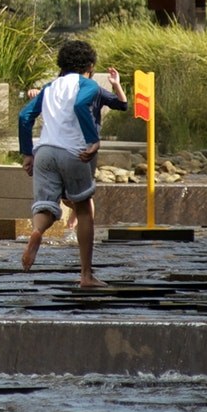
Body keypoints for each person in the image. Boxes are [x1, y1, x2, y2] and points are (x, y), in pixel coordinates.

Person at [17, 40, 128, 287]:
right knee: (84, 210)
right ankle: (86, 275)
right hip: (74, 153)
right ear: (90, 66)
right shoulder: (88, 85)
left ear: (62, 65)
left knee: (46, 207)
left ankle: (37, 233)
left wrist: (27, 153)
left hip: (44, 152)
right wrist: (93, 141)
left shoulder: (49, 87)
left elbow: (24, 116)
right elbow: (80, 105)